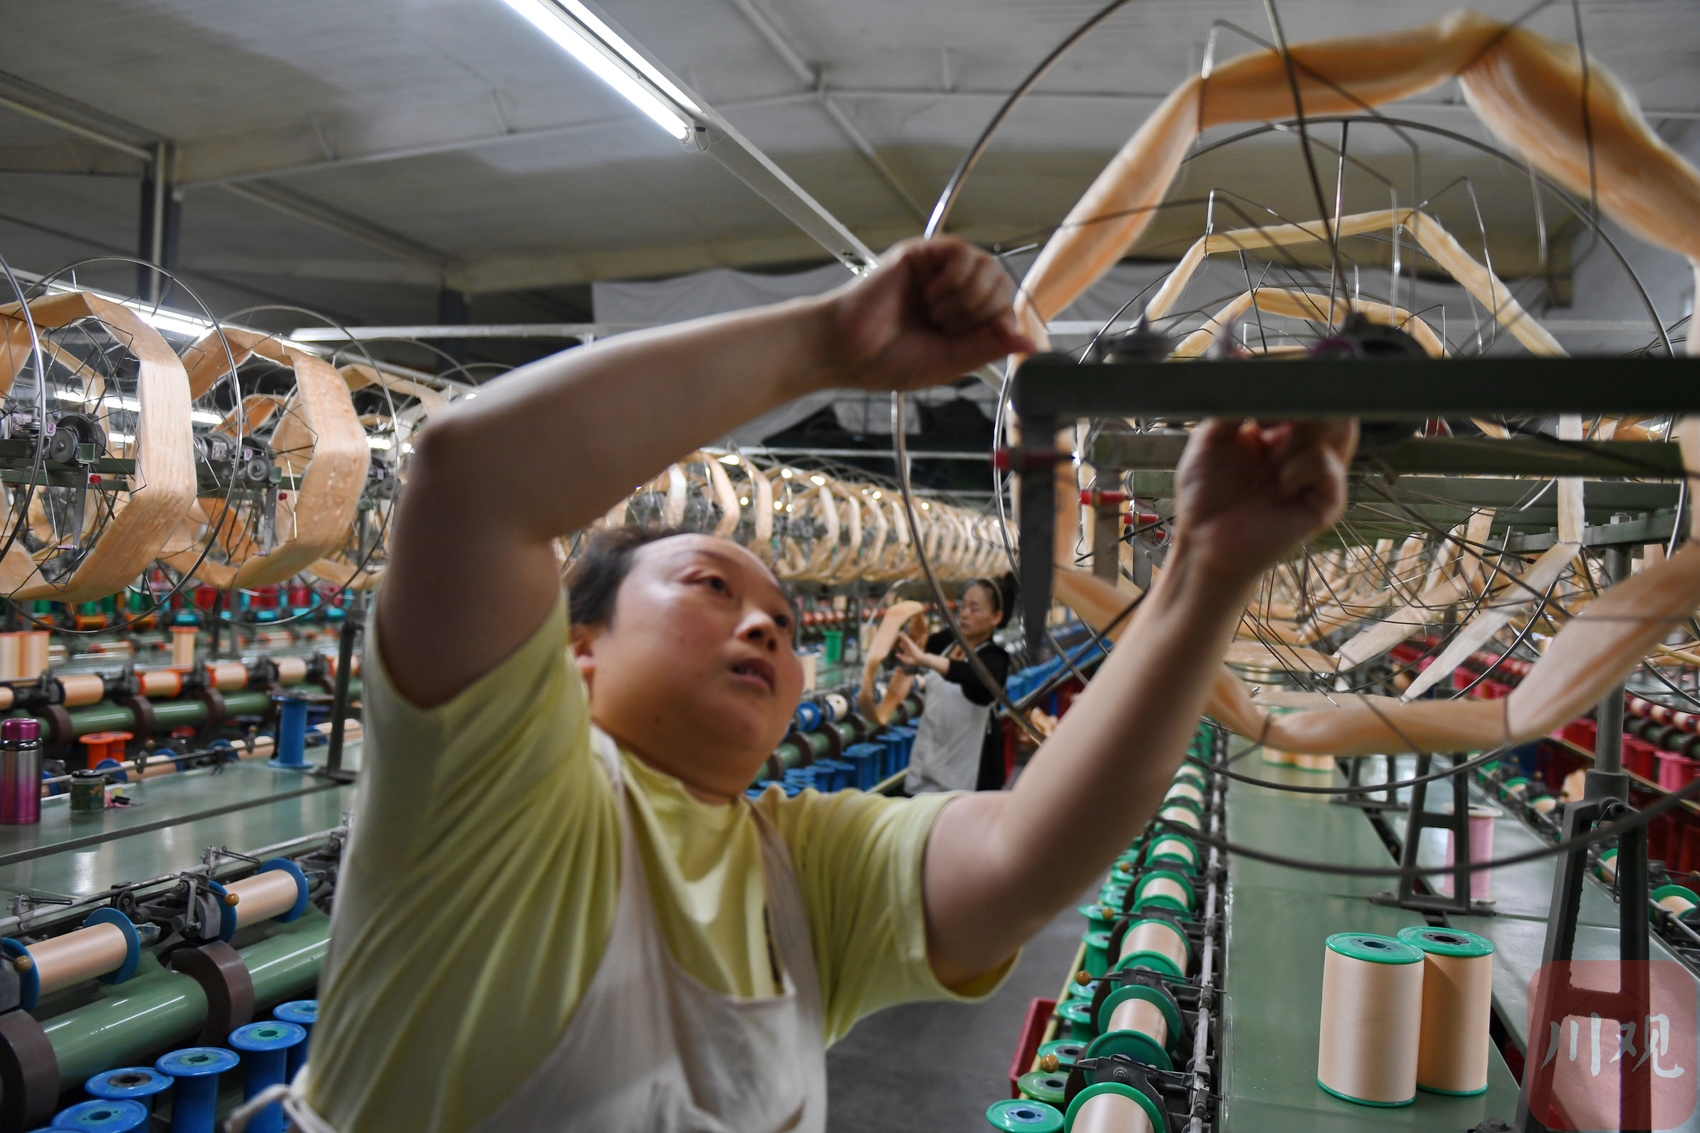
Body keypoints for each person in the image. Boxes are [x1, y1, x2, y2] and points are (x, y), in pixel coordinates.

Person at [300, 234, 1355, 1133]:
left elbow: (1025, 850)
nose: (765, 621)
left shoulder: (804, 874)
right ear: (576, 651)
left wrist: (1207, 572)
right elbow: (471, 475)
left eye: (786, 620)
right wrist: (825, 343)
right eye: (710, 585)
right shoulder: (487, 795)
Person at [895, 578, 1013, 793]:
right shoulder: (948, 641)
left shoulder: (994, 658)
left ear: (996, 617)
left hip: (966, 774)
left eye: (974, 609)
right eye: (963, 606)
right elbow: (909, 649)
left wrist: (925, 659)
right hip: (928, 761)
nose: (965, 614)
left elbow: (976, 677)